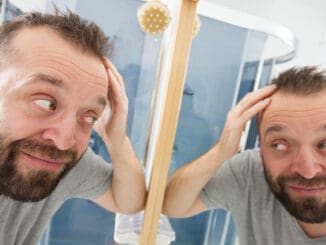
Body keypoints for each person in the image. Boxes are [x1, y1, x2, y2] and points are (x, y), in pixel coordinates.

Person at [0, 10, 146, 245]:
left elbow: (128, 202)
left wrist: (116, 139)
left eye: (88, 117)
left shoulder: (52, 163)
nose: (64, 141)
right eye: (45, 102)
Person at [163, 66, 326, 244]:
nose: (308, 171)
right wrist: (221, 151)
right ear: (261, 148)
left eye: (324, 145)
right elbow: (173, 206)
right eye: (279, 145)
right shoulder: (249, 172)